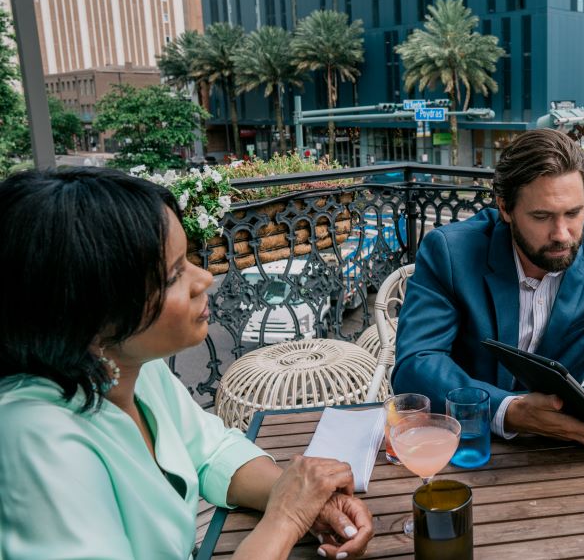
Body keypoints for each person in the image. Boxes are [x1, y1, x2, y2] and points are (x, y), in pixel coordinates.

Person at [0, 168, 374, 560]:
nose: (205, 279)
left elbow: (211, 452)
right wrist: (285, 519)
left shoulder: (133, 369)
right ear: (89, 308)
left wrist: (303, 498)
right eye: (174, 273)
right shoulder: (34, 438)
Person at [392, 129, 584, 450]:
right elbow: (416, 365)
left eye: (573, 213)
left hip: (565, 447)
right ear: (505, 208)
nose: (562, 234)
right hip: (468, 443)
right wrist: (508, 410)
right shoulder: (449, 252)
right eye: (541, 216)